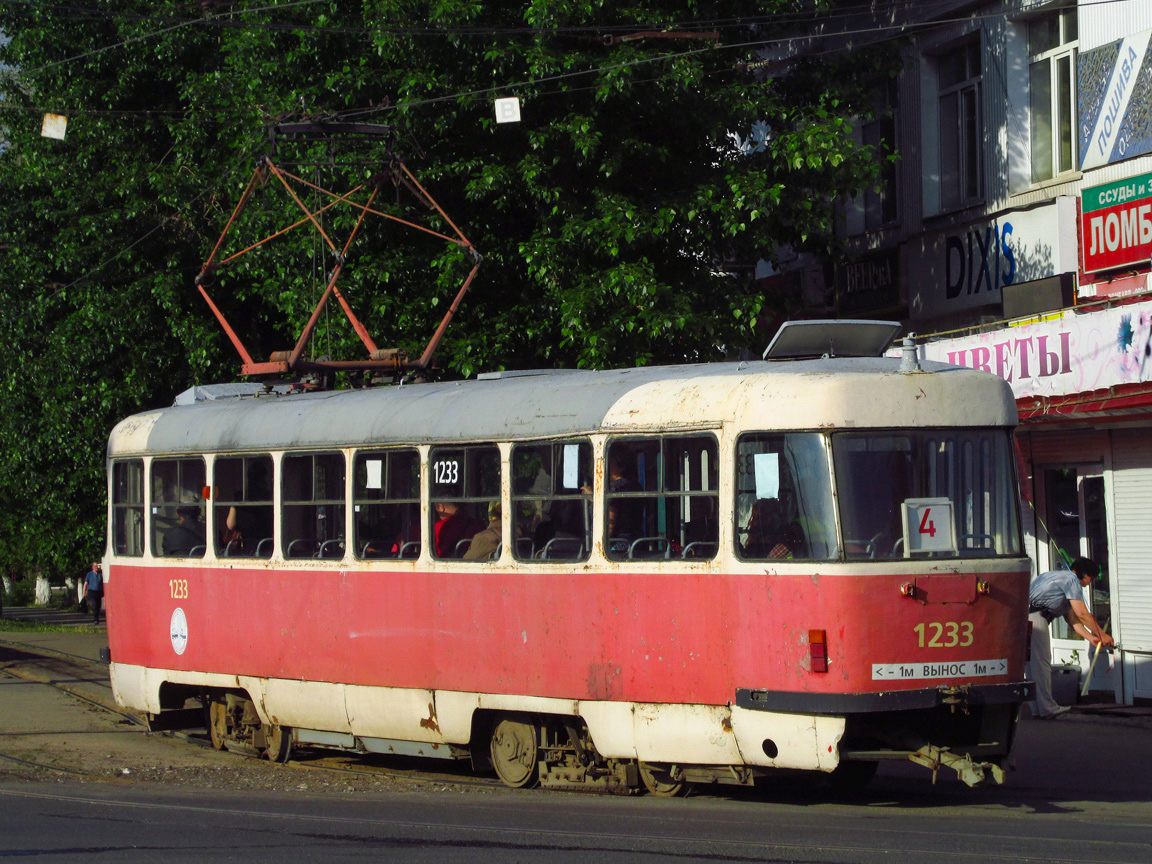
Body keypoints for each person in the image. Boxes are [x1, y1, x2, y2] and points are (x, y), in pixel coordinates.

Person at [1028, 557, 1115, 719]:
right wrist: (1102, 634)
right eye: (1091, 578)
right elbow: (1082, 614)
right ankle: (1048, 708)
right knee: (1042, 664)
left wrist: (1091, 637)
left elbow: (1071, 619)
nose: (1090, 582)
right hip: (1036, 619)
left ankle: (1036, 709)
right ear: (1085, 574)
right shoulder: (1071, 581)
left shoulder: (1054, 576)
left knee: (1031, 666)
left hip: (1022, 617)